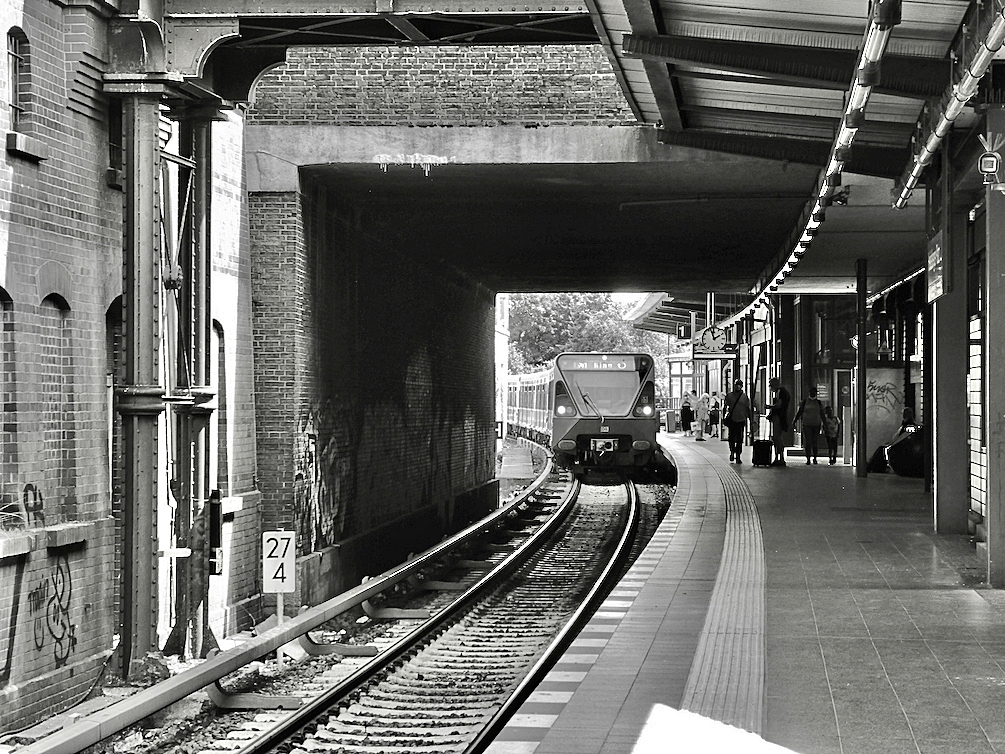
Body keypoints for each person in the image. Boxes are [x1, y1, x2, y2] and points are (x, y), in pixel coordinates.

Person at [722, 379, 751, 463]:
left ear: (742, 386)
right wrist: (724, 417)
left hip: (741, 419)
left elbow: (747, 408)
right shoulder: (729, 396)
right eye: (736, 385)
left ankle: (738, 455)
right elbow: (725, 407)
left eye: (739, 385)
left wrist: (750, 418)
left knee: (739, 438)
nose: (738, 386)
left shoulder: (744, 397)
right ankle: (732, 452)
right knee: (731, 437)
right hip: (732, 419)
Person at [793, 387, 825, 465]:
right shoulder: (804, 402)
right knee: (808, 442)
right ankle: (808, 458)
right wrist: (794, 421)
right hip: (807, 424)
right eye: (811, 392)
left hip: (816, 424)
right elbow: (799, 412)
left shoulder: (819, 403)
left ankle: (814, 458)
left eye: (814, 392)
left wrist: (825, 424)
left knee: (815, 442)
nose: (813, 393)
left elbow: (822, 414)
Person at [767, 377, 791, 466]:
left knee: (777, 438)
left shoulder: (780, 392)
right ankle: (779, 457)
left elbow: (779, 405)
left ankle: (779, 458)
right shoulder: (783, 392)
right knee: (777, 438)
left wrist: (769, 407)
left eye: (771, 385)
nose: (770, 387)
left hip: (778, 418)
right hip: (781, 417)